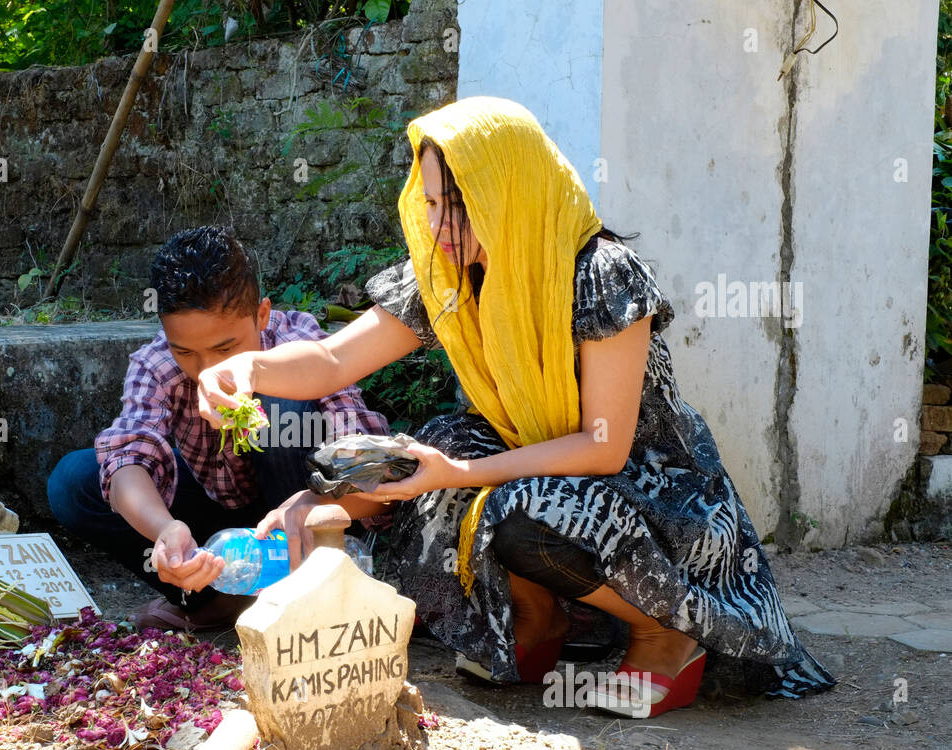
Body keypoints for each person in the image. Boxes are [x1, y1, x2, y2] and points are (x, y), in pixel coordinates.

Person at [196, 97, 835, 717]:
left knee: (513, 505)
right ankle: (536, 624)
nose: (441, 227)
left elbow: (603, 445)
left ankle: (666, 637)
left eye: (460, 207)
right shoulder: (452, 275)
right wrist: (247, 367)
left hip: (653, 493)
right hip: (546, 462)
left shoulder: (599, 273)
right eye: (432, 203)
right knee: (405, 458)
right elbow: (333, 362)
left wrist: (462, 474)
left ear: (509, 192)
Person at [46, 225, 390, 632]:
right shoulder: (157, 365)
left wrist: (313, 503)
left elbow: (377, 477)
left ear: (261, 315)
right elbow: (129, 454)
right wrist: (165, 530)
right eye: (185, 351)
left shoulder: (300, 345)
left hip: (305, 517)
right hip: (224, 532)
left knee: (283, 408)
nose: (207, 369)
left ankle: (305, 590)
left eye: (225, 349)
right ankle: (223, 597)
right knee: (75, 481)